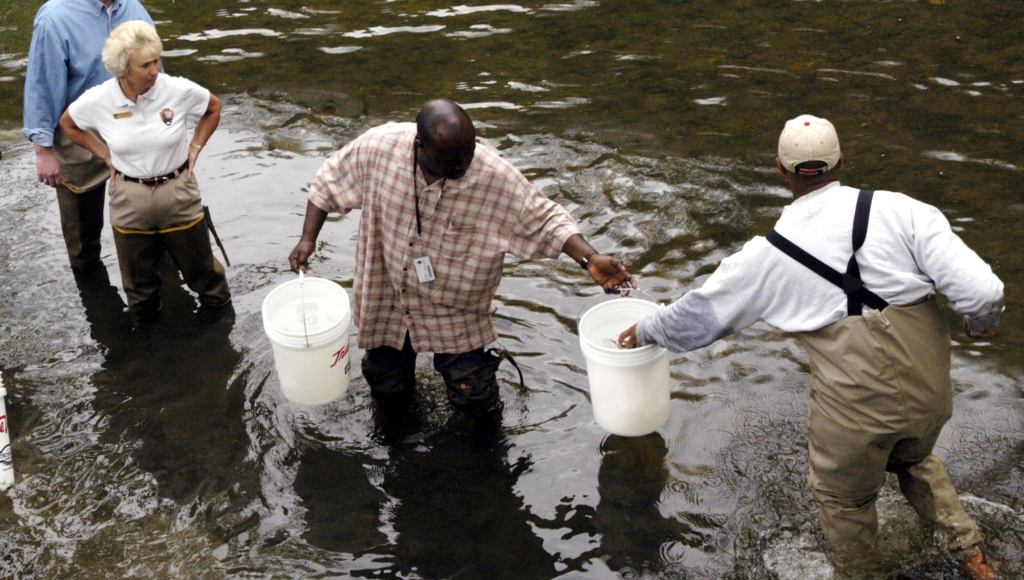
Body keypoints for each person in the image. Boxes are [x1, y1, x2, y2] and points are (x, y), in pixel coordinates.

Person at [617, 115, 1002, 579]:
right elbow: (983, 292)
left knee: (846, 500)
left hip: (856, 406)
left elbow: (701, 315)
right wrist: (980, 325)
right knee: (914, 458)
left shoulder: (767, 256)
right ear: (841, 161)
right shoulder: (904, 211)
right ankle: (975, 560)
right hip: (929, 390)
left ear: (780, 169)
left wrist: (644, 331)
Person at [289, 99, 636, 416]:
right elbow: (329, 181)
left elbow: (543, 218)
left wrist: (588, 258)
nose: (462, 169)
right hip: (389, 294)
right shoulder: (379, 148)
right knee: (387, 388)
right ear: (419, 147)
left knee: (475, 399)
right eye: (450, 164)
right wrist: (308, 238)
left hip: (456, 308)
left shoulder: (491, 175)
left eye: (466, 158)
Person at [59, 21, 230, 325]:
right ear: (122, 69)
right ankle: (147, 350)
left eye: (155, 61)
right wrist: (104, 156)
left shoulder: (176, 89)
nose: (154, 70)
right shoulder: (99, 99)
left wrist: (196, 146)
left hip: (178, 191)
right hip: (129, 197)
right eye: (145, 65)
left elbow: (213, 108)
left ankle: (221, 339)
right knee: (139, 290)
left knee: (205, 276)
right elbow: (69, 124)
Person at [23, 0, 154, 274]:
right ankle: (94, 296)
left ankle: (152, 294)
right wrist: (43, 150)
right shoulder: (55, 17)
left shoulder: (134, 8)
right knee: (84, 242)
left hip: (133, 129)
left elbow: (155, 71)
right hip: (77, 132)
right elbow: (42, 84)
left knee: (150, 226)